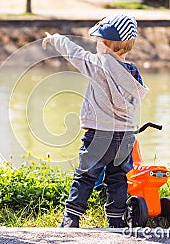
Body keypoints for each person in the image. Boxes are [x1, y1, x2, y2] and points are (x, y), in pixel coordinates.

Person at [42, 13, 149, 228]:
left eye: (99, 39)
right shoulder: (134, 74)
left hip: (98, 135)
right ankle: (116, 221)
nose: (96, 43)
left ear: (107, 44)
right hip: (125, 137)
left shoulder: (98, 65)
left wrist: (56, 38)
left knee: (85, 176)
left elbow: (75, 54)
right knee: (117, 178)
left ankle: (71, 219)